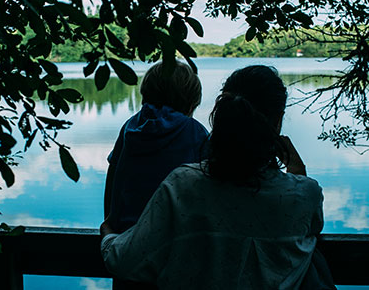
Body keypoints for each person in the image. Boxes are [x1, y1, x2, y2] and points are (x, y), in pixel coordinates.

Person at [101, 65, 333, 289]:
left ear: (223, 113)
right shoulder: (305, 195)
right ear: (277, 119)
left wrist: (109, 233)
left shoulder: (181, 186)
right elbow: (310, 224)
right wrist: (299, 175)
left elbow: (123, 260)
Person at [104, 60, 209, 289]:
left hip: (127, 244)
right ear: (189, 100)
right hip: (176, 248)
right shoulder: (196, 132)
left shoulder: (130, 127)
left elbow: (113, 177)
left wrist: (110, 224)